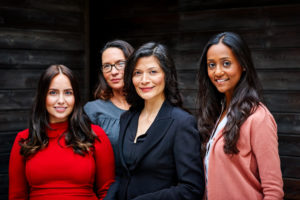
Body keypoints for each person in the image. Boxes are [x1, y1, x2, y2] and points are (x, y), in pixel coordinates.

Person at [197, 32, 284, 199]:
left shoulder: (258, 118)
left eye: (226, 63)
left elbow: (273, 191)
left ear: (243, 65)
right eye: (211, 65)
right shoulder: (217, 113)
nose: (218, 72)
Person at [114, 42, 205, 200]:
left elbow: (191, 188)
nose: (144, 80)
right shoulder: (127, 118)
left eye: (153, 72)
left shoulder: (181, 123)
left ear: (166, 75)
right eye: (137, 73)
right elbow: (121, 176)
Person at [9, 65, 115, 200]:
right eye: (53, 92)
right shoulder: (24, 139)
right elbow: (16, 196)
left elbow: (107, 192)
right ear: (43, 96)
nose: (61, 100)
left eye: (68, 93)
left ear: (75, 97)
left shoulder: (94, 135)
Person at [84, 40, 134, 178]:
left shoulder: (147, 106)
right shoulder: (92, 110)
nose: (113, 72)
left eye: (120, 64)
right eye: (107, 66)